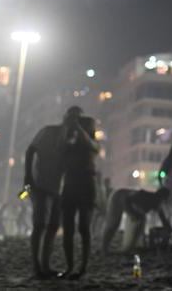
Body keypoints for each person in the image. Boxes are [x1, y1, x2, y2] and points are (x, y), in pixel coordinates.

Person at [23, 109, 70, 278]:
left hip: (58, 188)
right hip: (40, 184)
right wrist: (28, 176)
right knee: (40, 225)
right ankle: (37, 267)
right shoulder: (49, 131)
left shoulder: (72, 139)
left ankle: (45, 264)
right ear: (65, 119)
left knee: (53, 226)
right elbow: (30, 150)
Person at [60, 113, 100, 279]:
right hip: (71, 184)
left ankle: (82, 267)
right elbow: (61, 147)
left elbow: (90, 144)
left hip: (86, 184)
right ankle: (70, 266)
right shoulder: (72, 143)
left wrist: (76, 127)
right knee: (68, 229)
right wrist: (70, 128)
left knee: (84, 228)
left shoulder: (93, 144)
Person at [101, 187, 172, 253]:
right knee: (113, 223)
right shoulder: (144, 196)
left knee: (141, 220)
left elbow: (162, 218)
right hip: (118, 197)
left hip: (127, 202)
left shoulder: (157, 203)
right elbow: (127, 200)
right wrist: (132, 213)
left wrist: (169, 229)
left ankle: (133, 246)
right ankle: (104, 248)